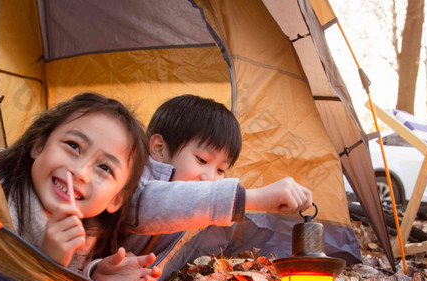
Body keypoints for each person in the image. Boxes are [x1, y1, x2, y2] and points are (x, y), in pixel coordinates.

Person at [0, 93, 161, 281]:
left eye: (104, 167)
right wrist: (47, 263)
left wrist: (93, 276)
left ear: (116, 199)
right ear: (39, 145)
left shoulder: (89, 234)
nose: (80, 171)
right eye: (73, 146)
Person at [121, 94, 313, 257]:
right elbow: (148, 203)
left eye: (220, 170)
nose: (210, 178)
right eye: (202, 160)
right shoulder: (131, 181)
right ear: (159, 148)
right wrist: (251, 198)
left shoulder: (188, 203)